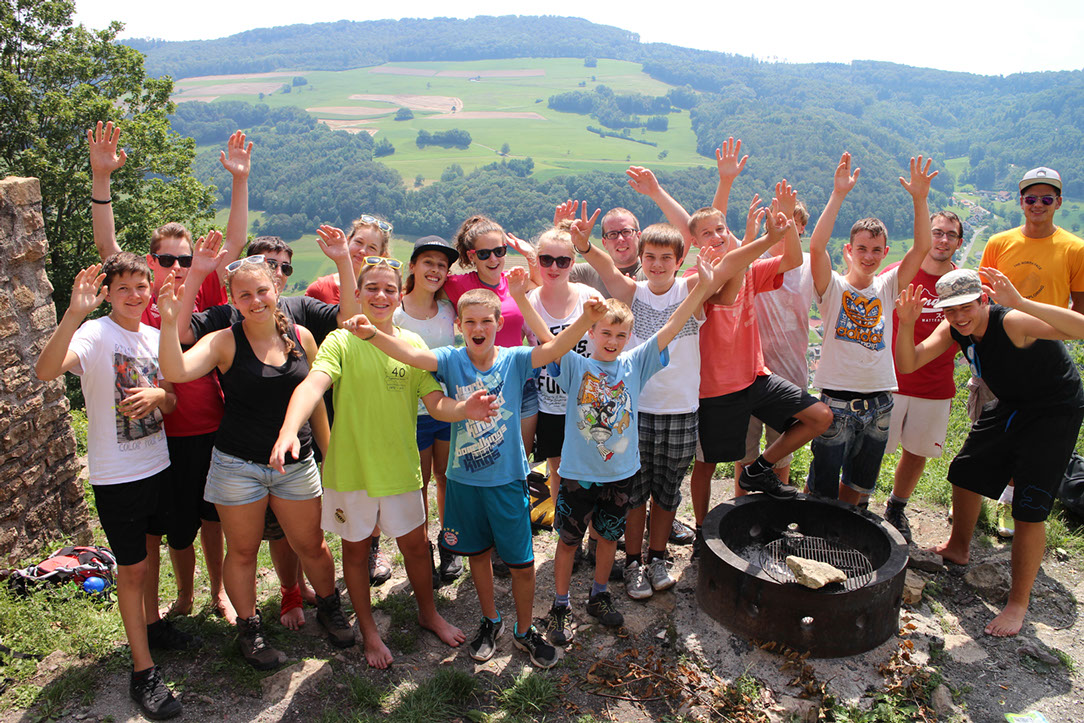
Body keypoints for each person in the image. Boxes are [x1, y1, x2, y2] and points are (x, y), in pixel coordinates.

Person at [352, 278, 609, 669]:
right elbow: (412, 356)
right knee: (477, 555)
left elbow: (555, 348)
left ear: (498, 323)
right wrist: (372, 335)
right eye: (470, 321)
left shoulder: (515, 359)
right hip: (463, 482)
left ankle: (525, 630)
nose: (478, 328)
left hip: (507, 481)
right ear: (459, 326)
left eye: (486, 321)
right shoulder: (451, 360)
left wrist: (586, 320)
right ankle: (491, 620)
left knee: (522, 564)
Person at [271, 257, 494, 668]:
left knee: (416, 547)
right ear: (358, 294)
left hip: (400, 469)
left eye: (389, 289)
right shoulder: (341, 341)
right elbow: (313, 384)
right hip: (351, 472)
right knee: (356, 553)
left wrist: (465, 409)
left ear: (399, 294)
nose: (380, 296)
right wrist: (289, 429)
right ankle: (370, 632)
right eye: (371, 288)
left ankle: (428, 614)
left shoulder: (412, 345)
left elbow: (435, 404)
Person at [89, 120, 251, 626]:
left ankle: (219, 593)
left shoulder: (203, 292)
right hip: (161, 438)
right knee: (174, 527)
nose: (177, 266)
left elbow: (236, 242)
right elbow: (107, 249)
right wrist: (101, 179)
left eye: (185, 258)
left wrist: (239, 180)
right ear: (150, 261)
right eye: (166, 258)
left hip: (211, 426)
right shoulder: (139, 302)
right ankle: (183, 596)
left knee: (212, 518)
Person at [157, 257, 354, 670]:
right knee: (243, 551)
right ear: (233, 300)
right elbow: (175, 368)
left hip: (296, 462)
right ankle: (250, 630)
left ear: (276, 290)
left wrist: (330, 455)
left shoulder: (301, 336)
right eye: (244, 294)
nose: (255, 300)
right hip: (237, 465)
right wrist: (169, 321)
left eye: (262, 290)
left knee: (311, 545)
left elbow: (316, 401)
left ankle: (330, 608)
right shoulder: (224, 342)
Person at [531, 246, 727, 646]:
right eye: (605, 333)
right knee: (568, 542)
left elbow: (672, 326)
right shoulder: (576, 365)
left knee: (608, 538)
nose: (613, 341)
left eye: (621, 335)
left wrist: (701, 289)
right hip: (577, 475)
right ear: (591, 333)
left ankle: (599, 595)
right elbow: (547, 337)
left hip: (620, 474)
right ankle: (560, 604)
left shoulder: (634, 363)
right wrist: (521, 297)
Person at [895, 267, 1084, 636]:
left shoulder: (1011, 321)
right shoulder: (954, 328)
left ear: (984, 300)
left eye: (966, 307)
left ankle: (1017, 604)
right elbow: (909, 362)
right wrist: (906, 324)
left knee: (1029, 505)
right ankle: (958, 547)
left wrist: (1021, 302)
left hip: (1054, 410)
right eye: (951, 310)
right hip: (1012, 403)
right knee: (965, 471)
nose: (959, 317)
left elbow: (1080, 328)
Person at [36, 254, 182, 719]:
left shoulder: (155, 337)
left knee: (151, 552)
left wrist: (160, 395)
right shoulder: (95, 333)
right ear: (109, 294)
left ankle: (153, 624)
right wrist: (72, 313)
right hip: (118, 476)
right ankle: (143, 671)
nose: (134, 296)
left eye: (141, 287)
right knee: (133, 570)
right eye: (123, 288)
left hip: (158, 465)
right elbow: (46, 370)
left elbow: (171, 400)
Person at [688, 181, 832, 545]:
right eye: (707, 233)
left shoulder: (750, 268)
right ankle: (702, 531)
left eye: (721, 229)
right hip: (715, 389)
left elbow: (793, 261)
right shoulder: (696, 279)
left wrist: (784, 226)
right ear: (695, 243)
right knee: (705, 465)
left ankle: (759, 469)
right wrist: (759, 240)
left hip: (755, 378)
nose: (717, 236)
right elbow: (726, 292)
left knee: (820, 417)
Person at [806, 153, 934, 505]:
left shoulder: (888, 286)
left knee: (859, 487)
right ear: (848, 250)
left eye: (876, 250)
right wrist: (838, 194)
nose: (868, 256)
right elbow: (816, 247)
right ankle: (816, 529)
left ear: (885, 252)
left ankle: (844, 530)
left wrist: (920, 199)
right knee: (822, 486)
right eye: (861, 248)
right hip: (836, 403)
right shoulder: (833, 287)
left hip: (880, 403)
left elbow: (922, 248)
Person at [976, 166, 1084, 536]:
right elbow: (980, 300)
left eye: (1046, 198)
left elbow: (1079, 313)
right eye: (1031, 198)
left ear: (1059, 202)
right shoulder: (998, 243)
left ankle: (1009, 503)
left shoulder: (1075, 249)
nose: (1038, 204)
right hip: (997, 351)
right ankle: (975, 496)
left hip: (1044, 357)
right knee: (987, 426)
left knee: (1027, 435)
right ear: (1021, 201)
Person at [879, 211, 965, 541]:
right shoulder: (900, 273)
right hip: (889, 381)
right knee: (871, 447)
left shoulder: (961, 285)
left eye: (950, 235)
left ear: (959, 242)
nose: (943, 240)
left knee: (916, 453)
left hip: (934, 385)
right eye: (937, 233)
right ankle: (858, 501)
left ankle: (896, 506)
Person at [393, 236, 463, 585]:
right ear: (412, 266)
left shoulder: (449, 309)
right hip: (411, 414)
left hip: (446, 409)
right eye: (428, 262)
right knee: (417, 484)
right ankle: (422, 551)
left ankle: (449, 544)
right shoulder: (395, 312)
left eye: (442, 265)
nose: (435, 270)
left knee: (447, 479)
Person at [525, 224, 598, 505]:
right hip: (549, 403)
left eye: (562, 261)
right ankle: (561, 523)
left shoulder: (589, 297)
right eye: (546, 260)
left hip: (586, 401)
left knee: (590, 469)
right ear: (537, 260)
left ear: (573, 262)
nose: (554, 267)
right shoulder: (529, 302)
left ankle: (591, 525)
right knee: (556, 469)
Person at [305, 214, 392, 304]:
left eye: (372, 248)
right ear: (348, 241)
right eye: (359, 242)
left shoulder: (385, 297)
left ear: (381, 256)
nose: (362, 251)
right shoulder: (319, 290)